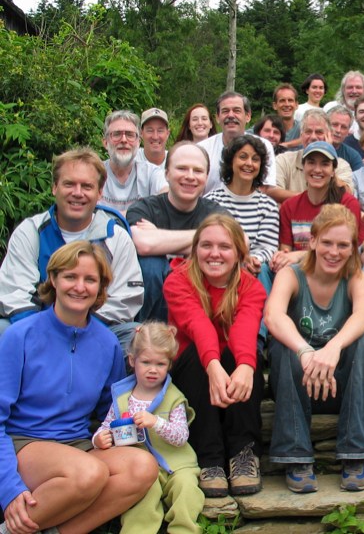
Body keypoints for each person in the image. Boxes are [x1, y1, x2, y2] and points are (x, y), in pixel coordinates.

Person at [0, 241, 157, 534]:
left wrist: (145, 403)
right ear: (53, 280)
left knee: (142, 467)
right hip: (25, 442)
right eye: (70, 276)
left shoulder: (107, 342)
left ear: (101, 288)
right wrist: (8, 488)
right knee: (89, 471)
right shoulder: (19, 336)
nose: (79, 287)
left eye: (90, 279)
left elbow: (105, 410)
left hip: (78, 444)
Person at [266, 205, 364, 493]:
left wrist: (334, 346)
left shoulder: (355, 275)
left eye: (343, 245)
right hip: (297, 382)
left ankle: (354, 455)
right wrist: (305, 351)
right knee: (282, 345)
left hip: (338, 385)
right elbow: (274, 316)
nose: (334, 252)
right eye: (326, 242)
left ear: (353, 248)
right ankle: (296, 456)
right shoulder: (291, 274)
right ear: (312, 241)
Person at [164, 215, 267, 497]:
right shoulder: (177, 281)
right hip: (192, 367)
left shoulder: (251, 287)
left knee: (246, 362)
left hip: (229, 364)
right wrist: (212, 365)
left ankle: (243, 452)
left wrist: (245, 366)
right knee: (200, 358)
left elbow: (245, 329)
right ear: (195, 249)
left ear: (238, 254)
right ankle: (209, 458)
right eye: (206, 245)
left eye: (224, 246)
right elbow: (197, 324)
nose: (214, 253)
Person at [0, 148, 143, 345]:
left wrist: (81, 332)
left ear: (100, 192)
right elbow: (14, 294)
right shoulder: (30, 231)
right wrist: (48, 335)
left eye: (86, 186)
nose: (77, 193)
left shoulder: (116, 237)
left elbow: (125, 299)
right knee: (4, 330)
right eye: (69, 184)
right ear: (54, 187)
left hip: (96, 332)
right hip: (38, 333)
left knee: (138, 338)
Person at [93, 322, 204, 534]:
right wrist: (99, 439)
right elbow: (106, 425)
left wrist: (157, 422)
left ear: (169, 365)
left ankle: (184, 530)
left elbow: (181, 436)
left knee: (187, 491)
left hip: (177, 465)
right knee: (142, 497)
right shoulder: (122, 398)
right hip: (141, 469)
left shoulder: (173, 398)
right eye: (146, 362)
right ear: (132, 361)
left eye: (160, 364)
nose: (153, 370)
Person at [127, 142, 228, 322]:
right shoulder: (145, 208)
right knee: (151, 264)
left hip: (199, 304)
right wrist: (206, 239)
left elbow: (240, 242)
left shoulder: (215, 211)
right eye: (182, 168)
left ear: (206, 177)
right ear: (167, 174)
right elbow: (144, 243)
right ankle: (150, 337)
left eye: (197, 171)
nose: (190, 176)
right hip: (151, 310)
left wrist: (159, 236)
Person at [273, 141, 362, 271]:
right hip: (298, 273)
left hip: (336, 272)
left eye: (325, 164)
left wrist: (299, 255)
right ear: (303, 167)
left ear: (333, 171)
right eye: (311, 162)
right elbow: (286, 252)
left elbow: (349, 252)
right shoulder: (289, 206)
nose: (317, 169)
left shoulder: (348, 204)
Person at [204, 135, 280, 284]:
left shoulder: (268, 206)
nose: (249, 164)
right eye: (243, 157)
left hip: (253, 272)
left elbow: (268, 247)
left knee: (262, 269)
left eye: (255, 159)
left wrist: (253, 260)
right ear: (231, 161)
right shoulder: (210, 201)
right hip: (217, 266)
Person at [198, 91, 277, 194]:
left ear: (248, 116)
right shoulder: (202, 149)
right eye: (225, 111)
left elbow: (266, 187)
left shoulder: (263, 146)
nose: (231, 115)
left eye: (237, 110)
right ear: (217, 117)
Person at [270, 109, 354, 203]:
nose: (313, 137)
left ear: (329, 135)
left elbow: (348, 194)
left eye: (319, 132)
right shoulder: (284, 160)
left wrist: (330, 165)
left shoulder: (341, 165)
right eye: (308, 132)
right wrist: (309, 198)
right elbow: (272, 191)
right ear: (301, 136)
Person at [101, 110, 167, 215]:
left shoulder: (151, 172)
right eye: (117, 134)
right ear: (105, 142)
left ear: (138, 142)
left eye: (130, 135)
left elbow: (167, 199)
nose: (123, 140)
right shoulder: (94, 172)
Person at [329, 104, 364, 169]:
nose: (338, 130)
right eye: (335, 125)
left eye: (343, 127)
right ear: (326, 125)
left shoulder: (353, 156)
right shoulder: (312, 148)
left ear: (348, 132)